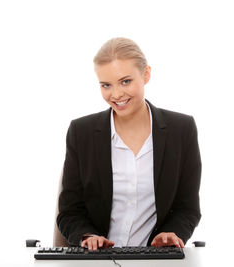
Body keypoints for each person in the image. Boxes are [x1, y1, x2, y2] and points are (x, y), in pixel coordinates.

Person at [57, 37, 202, 250]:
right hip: (97, 261)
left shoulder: (181, 130)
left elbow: (187, 207)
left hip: (154, 261)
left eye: (125, 81)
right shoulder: (82, 132)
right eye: (106, 85)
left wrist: (171, 234)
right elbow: (69, 211)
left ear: (146, 74)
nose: (116, 94)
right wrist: (87, 236)